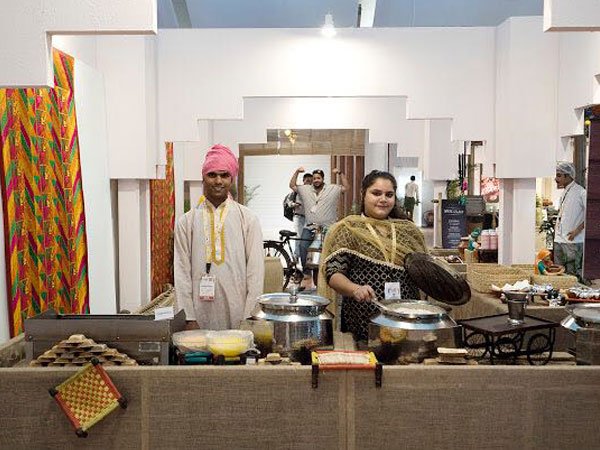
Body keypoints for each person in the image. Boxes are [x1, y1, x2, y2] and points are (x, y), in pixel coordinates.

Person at [317, 170, 427, 343]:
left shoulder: (408, 231)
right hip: (363, 319)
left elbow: (424, 272)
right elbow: (333, 273)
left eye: (389, 195)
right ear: (363, 194)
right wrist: (355, 289)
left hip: (406, 319)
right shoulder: (349, 229)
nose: (383, 199)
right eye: (376, 193)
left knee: (407, 357)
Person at [174, 144, 265, 330]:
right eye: (212, 175)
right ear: (203, 177)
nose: (218, 181)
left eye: (224, 175)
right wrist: (188, 317)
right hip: (198, 313)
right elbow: (181, 272)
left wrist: (249, 316)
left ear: (232, 179)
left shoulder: (247, 219)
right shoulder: (186, 222)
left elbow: (256, 272)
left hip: (239, 312)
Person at [289, 167, 349, 283]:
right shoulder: (306, 189)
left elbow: (346, 187)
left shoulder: (331, 189)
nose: (316, 180)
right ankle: (307, 272)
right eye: (315, 178)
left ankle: (326, 275)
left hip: (327, 228)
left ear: (322, 179)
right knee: (302, 246)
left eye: (318, 178)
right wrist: (296, 172)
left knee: (325, 252)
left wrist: (340, 173)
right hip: (310, 227)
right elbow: (292, 185)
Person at [554, 161, 587, 283]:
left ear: (568, 176)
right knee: (558, 274)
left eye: (559, 176)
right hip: (559, 239)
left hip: (573, 241)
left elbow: (592, 215)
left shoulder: (581, 192)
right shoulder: (565, 192)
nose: (556, 179)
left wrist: (577, 230)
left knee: (572, 277)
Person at [290, 173, 313, 257]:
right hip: (298, 217)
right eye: (307, 180)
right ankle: (297, 256)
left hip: (309, 219)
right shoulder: (299, 189)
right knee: (299, 237)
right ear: (303, 180)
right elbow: (289, 202)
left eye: (310, 181)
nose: (309, 182)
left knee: (306, 238)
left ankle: (305, 257)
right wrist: (294, 204)